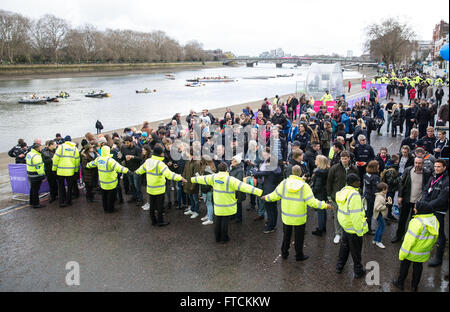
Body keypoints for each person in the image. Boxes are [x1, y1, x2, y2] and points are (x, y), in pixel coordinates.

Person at [263, 165, 332, 260]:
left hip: (287, 216)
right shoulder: (304, 186)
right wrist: (325, 205)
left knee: (286, 236)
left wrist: (266, 197)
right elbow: (312, 202)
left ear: (292, 172)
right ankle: (299, 255)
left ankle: (284, 253)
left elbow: (275, 195)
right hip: (299, 217)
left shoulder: (284, 183)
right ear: (300, 173)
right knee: (299, 237)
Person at [191, 162, 262, 243]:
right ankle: (224, 239)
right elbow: (244, 187)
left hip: (218, 205)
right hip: (227, 205)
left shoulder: (213, 177)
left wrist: (191, 179)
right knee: (224, 221)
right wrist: (259, 192)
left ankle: (217, 238)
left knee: (218, 221)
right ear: (226, 169)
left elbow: (202, 179)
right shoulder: (230, 179)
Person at [392, 201, 439, 292]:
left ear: (421, 210)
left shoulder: (416, 222)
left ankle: (400, 283)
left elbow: (409, 241)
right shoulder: (434, 220)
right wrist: (429, 248)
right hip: (423, 252)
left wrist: (402, 254)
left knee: (404, 266)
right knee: (418, 268)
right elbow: (435, 238)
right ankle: (414, 287)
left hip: (411, 251)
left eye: (415, 207)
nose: (414, 209)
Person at [135, 144, 186, 225]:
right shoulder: (160, 164)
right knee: (159, 206)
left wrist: (134, 172)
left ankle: (153, 221)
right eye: (162, 153)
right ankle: (160, 221)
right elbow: (169, 175)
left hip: (150, 188)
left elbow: (140, 170)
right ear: (160, 154)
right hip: (159, 189)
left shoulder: (148, 161)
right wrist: (180, 178)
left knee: (152, 205)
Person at [335, 173, 368, 278]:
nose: (360, 182)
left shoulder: (343, 191)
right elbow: (356, 215)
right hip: (353, 228)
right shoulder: (354, 195)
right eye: (358, 181)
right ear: (353, 183)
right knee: (356, 251)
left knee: (344, 248)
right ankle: (358, 271)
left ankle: (339, 267)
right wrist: (359, 231)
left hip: (346, 225)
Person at [392, 156, 432, 243]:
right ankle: (398, 236)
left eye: (419, 163)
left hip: (418, 202)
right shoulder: (408, 170)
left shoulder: (427, 173)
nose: (417, 165)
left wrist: (422, 201)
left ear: (423, 164)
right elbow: (401, 184)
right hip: (406, 199)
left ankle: (408, 238)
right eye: (416, 163)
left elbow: (427, 187)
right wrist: (399, 196)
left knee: (413, 221)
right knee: (402, 219)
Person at [327, 151, 358, 244]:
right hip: (336, 196)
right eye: (342, 158)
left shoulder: (354, 169)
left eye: (345, 158)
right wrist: (329, 195)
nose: (344, 160)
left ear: (349, 158)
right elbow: (329, 181)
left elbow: (357, 181)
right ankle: (338, 233)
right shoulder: (334, 168)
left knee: (348, 214)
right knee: (337, 215)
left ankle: (346, 232)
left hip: (349, 197)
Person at [87, 146, 130, 213]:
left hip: (103, 182)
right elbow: (119, 168)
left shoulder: (98, 159)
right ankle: (110, 209)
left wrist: (87, 165)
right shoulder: (110, 160)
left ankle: (105, 209)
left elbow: (91, 164)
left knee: (104, 197)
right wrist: (127, 171)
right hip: (111, 183)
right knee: (111, 197)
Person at [423, 159, 449, 267]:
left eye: (439, 167)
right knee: (428, 231)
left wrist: (427, 205)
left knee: (440, 234)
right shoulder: (433, 176)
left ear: (444, 168)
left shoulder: (447, 180)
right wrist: (424, 201)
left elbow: (442, 199)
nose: (436, 168)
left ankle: (438, 257)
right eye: (435, 166)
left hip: (439, 210)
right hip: (429, 209)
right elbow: (425, 190)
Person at [251, 147, 282, 233]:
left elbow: (257, 174)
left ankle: (270, 227)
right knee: (274, 208)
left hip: (268, 190)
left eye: (265, 154)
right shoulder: (276, 166)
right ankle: (272, 224)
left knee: (269, 208)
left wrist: (253, 169)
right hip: (274, 188)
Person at [52, 136, 80, 208]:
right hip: (70, 171)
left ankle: (62, 201)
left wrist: (54, 169)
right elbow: (77, 161)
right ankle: (69, 201)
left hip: (60, 170)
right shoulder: (75, 148)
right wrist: (76, 170)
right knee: (70, 187)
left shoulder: (61, 147)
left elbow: (56, 159)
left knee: (61, 187)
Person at [121, 136, 143, 206]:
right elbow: (122, 156)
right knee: (131, 184)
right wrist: (120, 157)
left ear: (131, 142)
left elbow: (140, 158)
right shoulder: (124, 148)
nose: (126, 144)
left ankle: (140, 199)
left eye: (127, 143)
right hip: (128, 169)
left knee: (137, 185)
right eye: (125, 143)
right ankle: (134, 196)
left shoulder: (137, 149)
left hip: (136, 170)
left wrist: (132, 157)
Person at [311, 155, 330, 236]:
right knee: (323, 210)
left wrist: (312, 192)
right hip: (324, 193)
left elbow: (317, 186)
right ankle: (323, 227)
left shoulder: (319, 173)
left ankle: (320, 229)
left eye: (316, 160)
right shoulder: (326, 170)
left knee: (320, 212)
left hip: (319, 194)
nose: (315, 161)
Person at [183, 147, 202, 219]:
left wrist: (192, 186)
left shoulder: (197, 163)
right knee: (191, 198)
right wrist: (183, 179)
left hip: (193, 185)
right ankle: (192, 209)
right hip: (187, 183)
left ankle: (196, 211)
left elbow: (196, 176)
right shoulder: (188, 161)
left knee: (195, 199)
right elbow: (185, 170)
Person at [26, 142, 46, 208]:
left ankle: (31, 202)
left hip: (30, 173)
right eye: (40, 148)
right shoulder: (36, 156)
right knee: (36, 190)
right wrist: (43, 176)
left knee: (32, 189)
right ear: (37, 148)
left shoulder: (29, 154)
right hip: (36, 175)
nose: (41, 149)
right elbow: (38, 167)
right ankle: (36, 203)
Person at [363, 160, 381, 234]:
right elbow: (376, 189)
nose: (378, 166)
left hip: (366, 195)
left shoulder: (366, 174)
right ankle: (369, 229)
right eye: (377, 165)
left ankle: (367, 228)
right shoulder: (375, 177)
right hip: (372, 197)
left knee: (367, 213)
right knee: (373, 212)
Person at [200, 156, 216, 225]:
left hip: (207, 189)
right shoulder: (212, 168)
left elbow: (207, 181)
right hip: (209, 189)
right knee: (208, 204)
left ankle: (210, 219)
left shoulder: (207, 169)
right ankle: (208, 215)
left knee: (209, 204)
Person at [373, 182, 390, 248]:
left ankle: (375, 239)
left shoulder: (381, 196)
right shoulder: (380, 197)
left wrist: (385, 202)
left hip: (379, 215)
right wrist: (386, 206)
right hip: (379, 215)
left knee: (380, 227)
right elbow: (377, 207)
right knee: (382, 227)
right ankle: (378, 241)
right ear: (383, 189)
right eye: (386, 189)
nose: (387, 190)